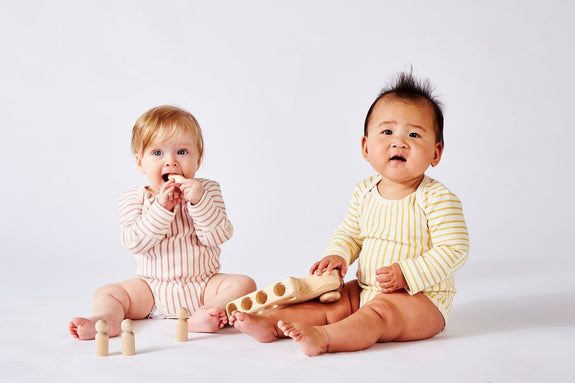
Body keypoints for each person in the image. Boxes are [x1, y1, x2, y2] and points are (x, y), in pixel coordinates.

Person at [230, 72, 470, 356]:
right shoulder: (365, 191)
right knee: (332, 301)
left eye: (414, 134)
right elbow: (350, 234)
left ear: (436, 153)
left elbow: (455, 249)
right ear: (366, 147)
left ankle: (325, 338)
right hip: (367, 288)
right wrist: (339, 255)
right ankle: (270, 322)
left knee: (379, 313)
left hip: (421, 300)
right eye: (387, 132)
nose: (399, 143)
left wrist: (407, 273)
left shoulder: (437, 198)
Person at [69, 105, 256, 339]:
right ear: (140, 163)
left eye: (182, 152)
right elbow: (134, 242)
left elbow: (219, 235)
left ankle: (208, 313)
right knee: (108, 292)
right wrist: (161, 208)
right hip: (151, 290)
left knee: (245, 284)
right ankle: (107, 319)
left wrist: (199, 202)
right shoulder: (134, 199)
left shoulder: (207, 190)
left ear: (197, 160)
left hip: (205, 285)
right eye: (158, 153)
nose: (171, 162)